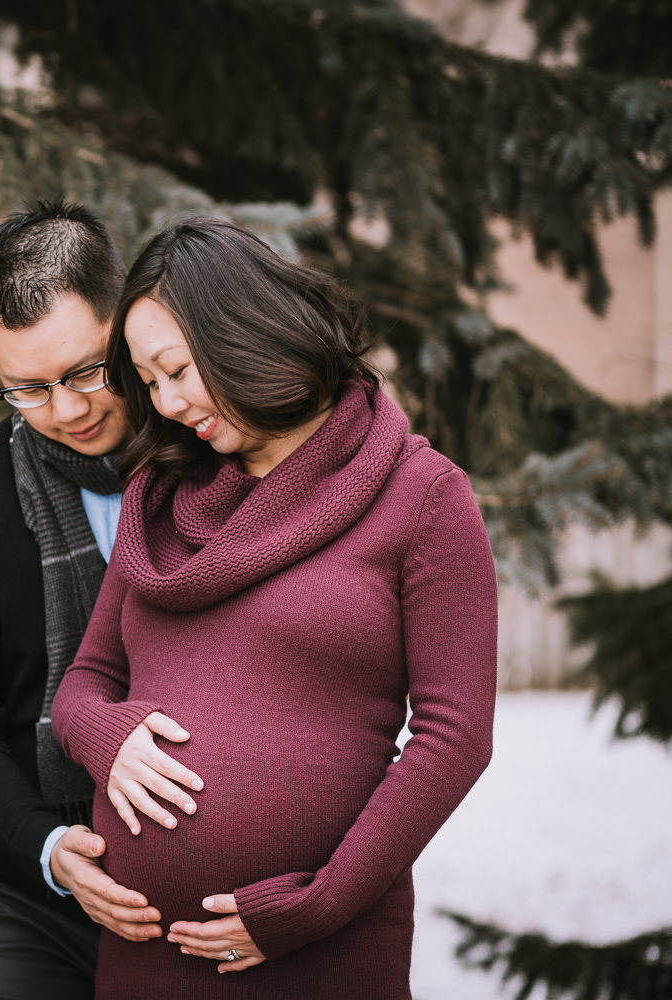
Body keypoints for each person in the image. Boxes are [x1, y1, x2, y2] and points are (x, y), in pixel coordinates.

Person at [52, 217, 497, 999]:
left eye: (177, 369)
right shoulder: (159, 498)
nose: (167, 401)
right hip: (143, 958)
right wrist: (105, 734)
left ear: (240, 333)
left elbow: (453, 738)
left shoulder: (420, 495)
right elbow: (86, 679)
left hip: (319, 956)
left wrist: (318, 907)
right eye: (148, 382)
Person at [0, 202, 205, 999]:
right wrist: (48, 847)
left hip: (208, 888)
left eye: (85, 371)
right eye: (27, 389)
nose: (67, 411)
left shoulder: (216, 456)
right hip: (27, 888)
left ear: (127, 326)